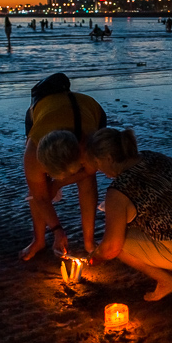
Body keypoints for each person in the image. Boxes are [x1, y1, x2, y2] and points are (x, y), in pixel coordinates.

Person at [87, 128, 172, 301]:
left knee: (118, 243)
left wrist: (95, 257)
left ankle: (166, 281)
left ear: (108, 158)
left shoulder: (119, 191)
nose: (100, 171)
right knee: (148, 216)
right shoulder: (153, 156)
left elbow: (110, 249)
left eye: (99, 165)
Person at [21, 73, 107, 260]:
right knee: (36, 187)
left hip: (88, 109)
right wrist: (58, 231)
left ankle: (89, 242)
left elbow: (91, 170)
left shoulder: (89, 143)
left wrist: (58, 184)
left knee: (87, 182)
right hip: (44, 108)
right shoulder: (32, 152)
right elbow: (41, 197)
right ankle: (38, 240)